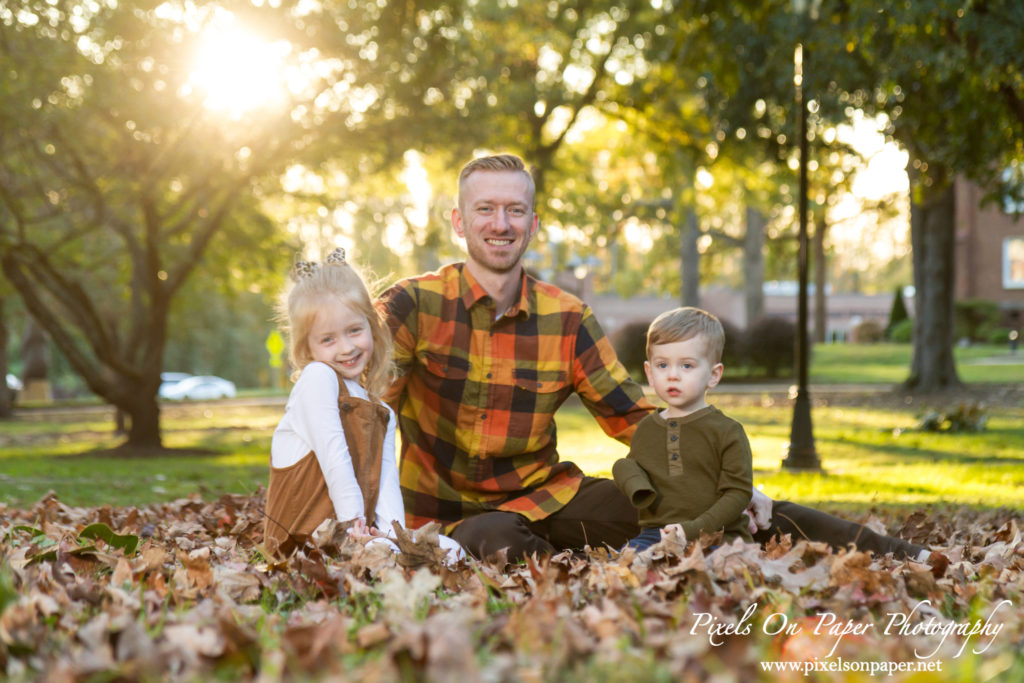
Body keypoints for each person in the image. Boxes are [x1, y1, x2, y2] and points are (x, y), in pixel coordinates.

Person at [381, 153, 929, 564]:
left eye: (514, 210)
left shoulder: (566, 317)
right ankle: (587, 573)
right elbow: (361, 408)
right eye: (486, 209)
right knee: (493, 539)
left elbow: (630, 415)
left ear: (533, 223)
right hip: (448, 516)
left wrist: (723, 482)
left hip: (546, 496)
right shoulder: (414, 304)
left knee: (711, 505)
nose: (500, 223)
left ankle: (894, 552)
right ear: (459, 222)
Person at [263, 248, 463, 563]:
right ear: (308, 346)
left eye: (354, 330)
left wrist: (393, 536)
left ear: (371, 325)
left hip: (355, 535)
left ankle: (395, 560)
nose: (346, 347)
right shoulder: (317, 379)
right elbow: (333, 456)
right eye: (328, 340)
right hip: (305, 537)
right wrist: (355, 522)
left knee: (451, 548)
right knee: (381, 555)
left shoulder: (381, 410)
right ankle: (379, 561)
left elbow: (386, 488)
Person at [613, 307, 752, 551]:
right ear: (649, 372)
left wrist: (690, 530)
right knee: (626, 567)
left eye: (686, 366)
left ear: (713, 375)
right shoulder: (646, 429)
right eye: (662, 365)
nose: (673, 375)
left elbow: (738, 493)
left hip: (719, 538)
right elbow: (634, 470)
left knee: (716, 574)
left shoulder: (727, 431)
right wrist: (625, 472)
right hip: (657, 535)